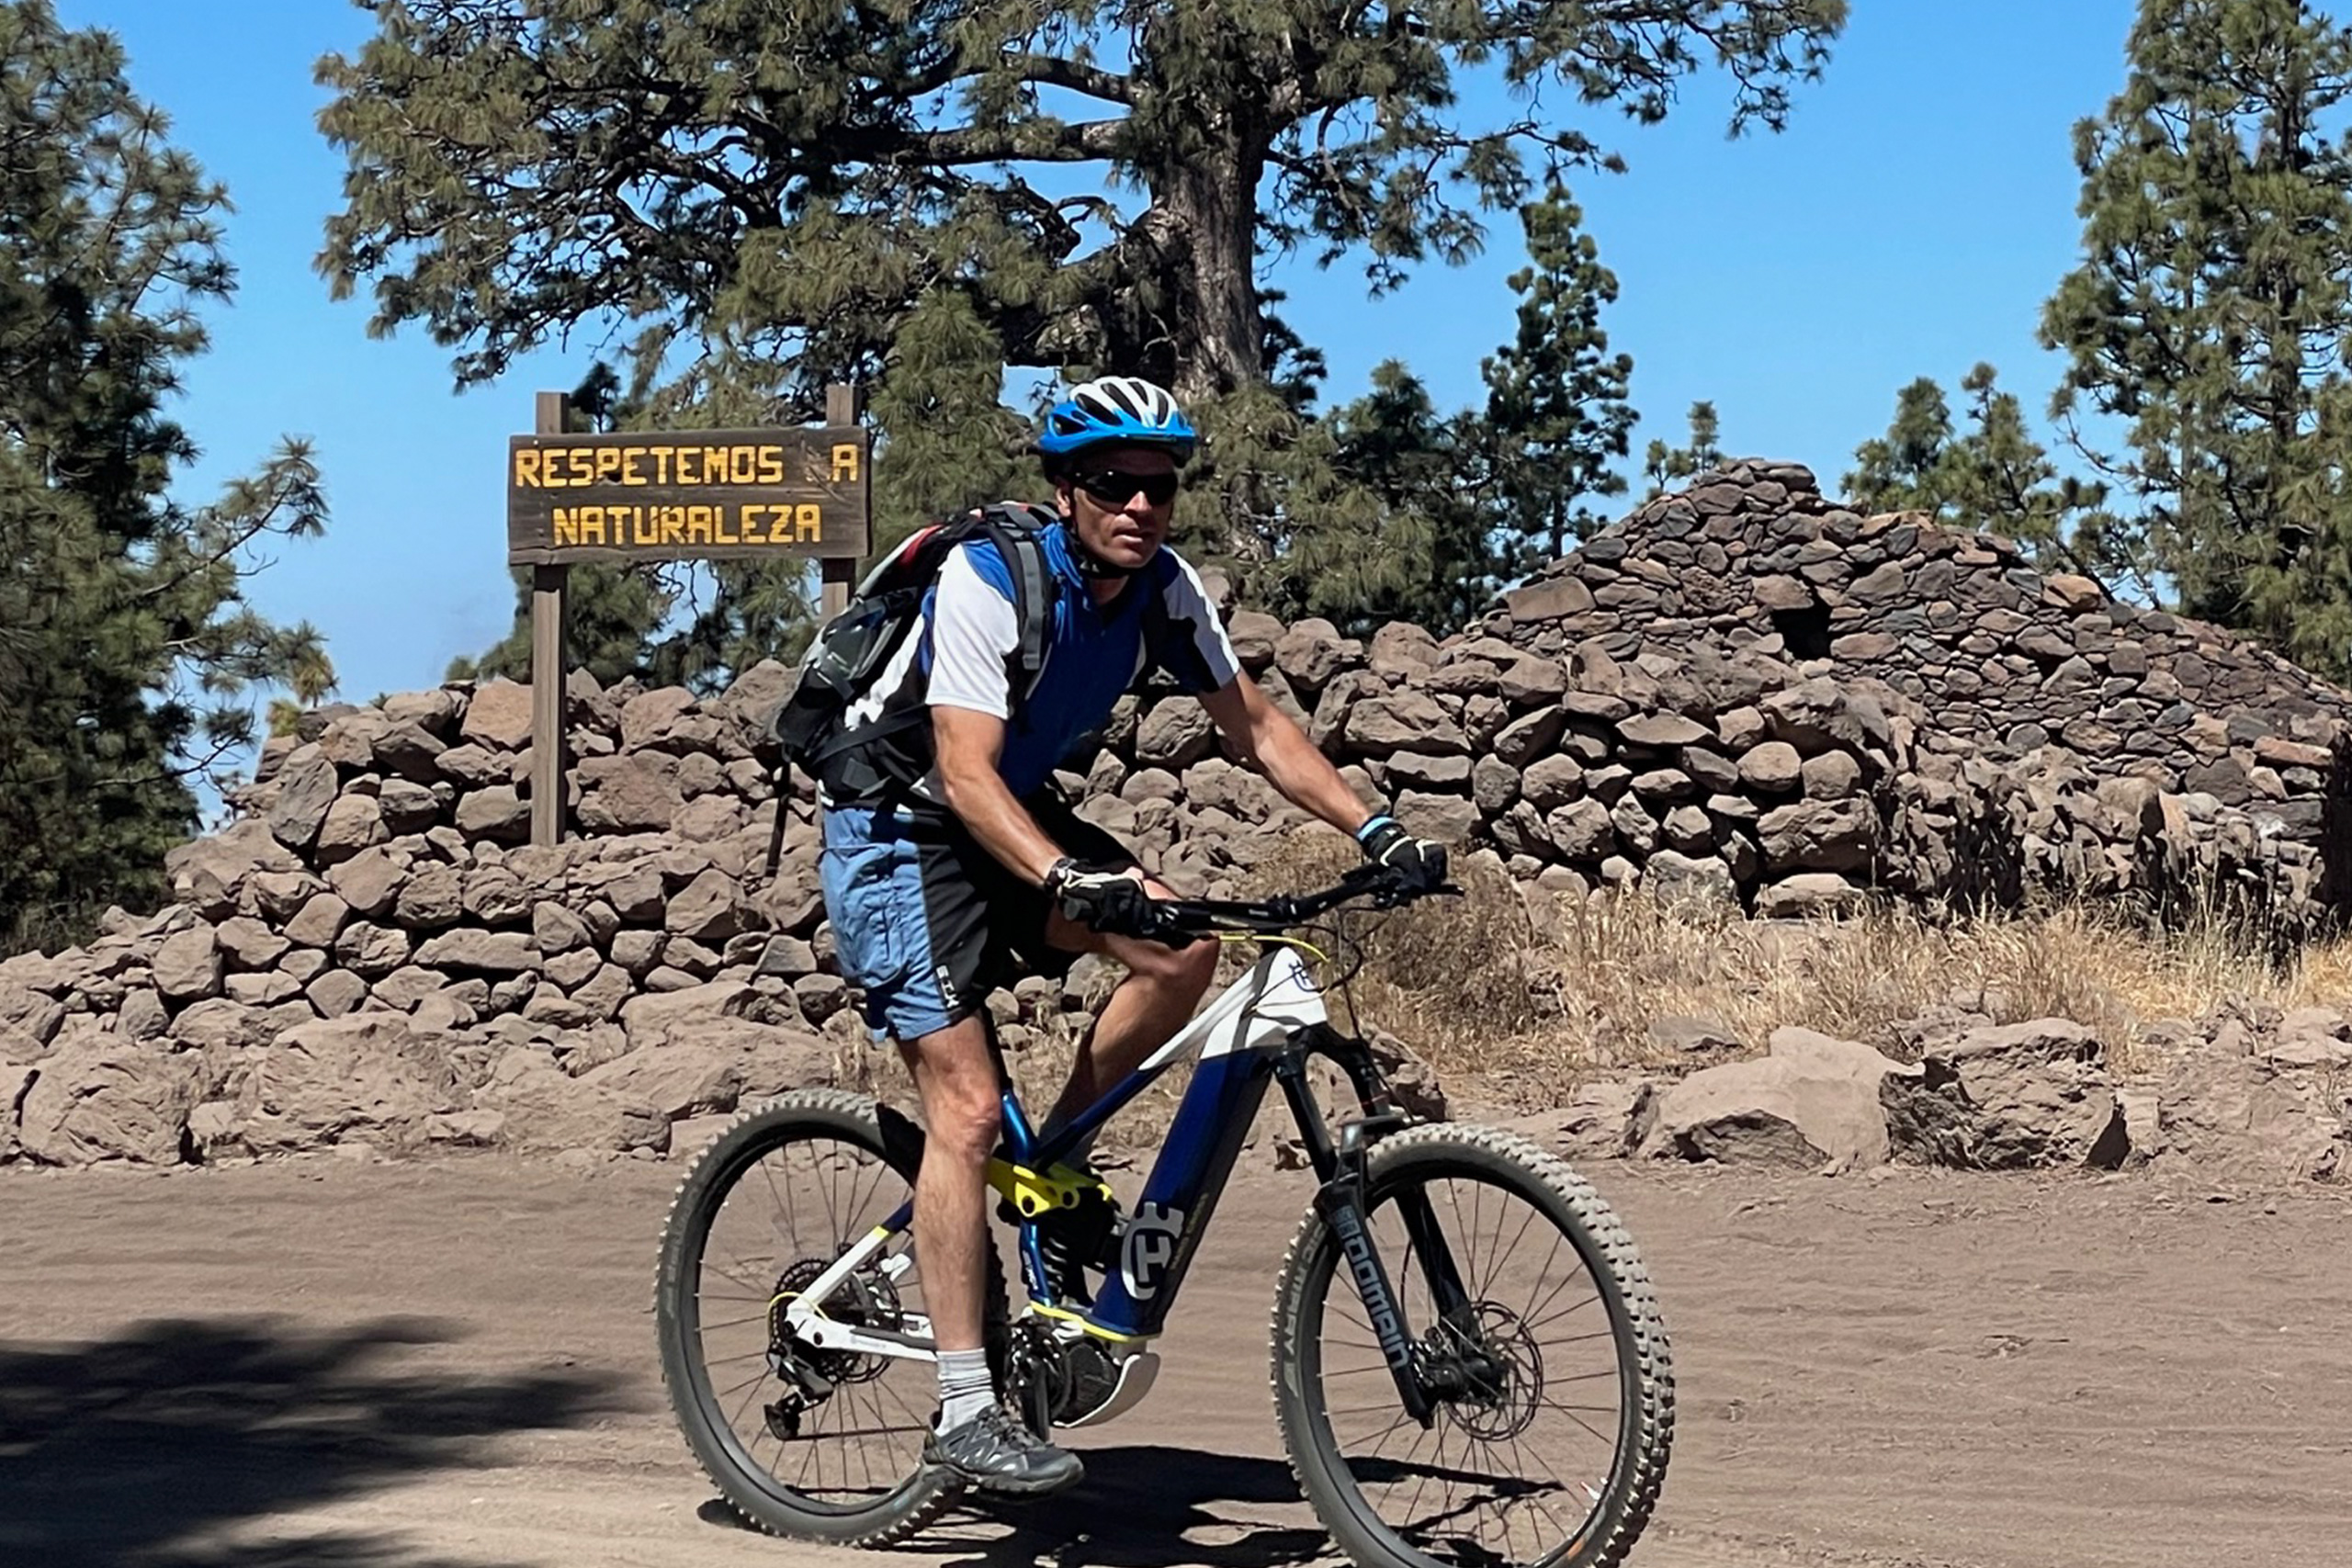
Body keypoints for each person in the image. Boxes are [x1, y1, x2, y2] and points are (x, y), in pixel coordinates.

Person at [815, 374, 1449, 1494]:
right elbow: (962, 772)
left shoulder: (1162, 588)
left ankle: (1052, 1173)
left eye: (1161, 486)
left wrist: (1379, 827)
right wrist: (1069, 875)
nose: (1142, 505)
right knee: (960, 1114)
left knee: (1184, 946)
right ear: (1064, 489)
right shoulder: (987, 577)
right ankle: (965, 1410)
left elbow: (1252, 725)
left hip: (1006, 811)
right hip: (901, 825)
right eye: (1114, 483)